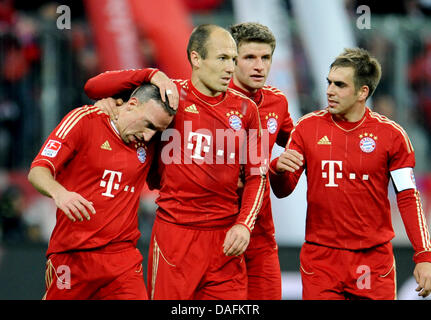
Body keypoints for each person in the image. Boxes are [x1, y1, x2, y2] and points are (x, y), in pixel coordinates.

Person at [84, 24, 266, 300]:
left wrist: (244, 225)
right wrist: (149, 74)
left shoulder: (246, 109)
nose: (231, 67)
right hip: (175, 236)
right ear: (196, 58)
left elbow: (258, 175)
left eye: (233, 58)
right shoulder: (169, 97)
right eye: (222, 58)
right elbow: (93, 86)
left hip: (225, 240)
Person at [269, 47, 431, 299]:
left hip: (371, 260)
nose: (329, 91)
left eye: (340, 85)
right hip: (321, 259)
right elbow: (283, 190)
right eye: (329, 82)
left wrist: (424, 255)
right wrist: (277, 170)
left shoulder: (392, 136)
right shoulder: (306, 129)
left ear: (362, 92)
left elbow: (409, 197)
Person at [27, 84, 176, 300]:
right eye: (148, 125)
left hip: (122, 260)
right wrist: (60, 193)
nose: (148, 135)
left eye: (156, 131)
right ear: (132, 104)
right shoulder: (85, 120)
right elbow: (38, 171)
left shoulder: (148, 143)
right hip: (73, 255)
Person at [228, 22, 296, 300]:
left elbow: (300, 143)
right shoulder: (210, 100)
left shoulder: (277, 102)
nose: (259, 66)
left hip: (260, 229)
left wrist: (278, 172)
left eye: (265, 58)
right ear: (232, 61)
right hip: (217, 228)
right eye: (249, 57)